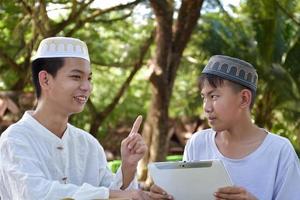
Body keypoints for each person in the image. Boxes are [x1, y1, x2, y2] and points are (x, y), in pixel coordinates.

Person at [0, 37, 151, 199]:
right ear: (45, 79)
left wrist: (128, 166)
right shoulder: (15, 140)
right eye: (76, 77)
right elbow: (35, 194)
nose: (87, 87)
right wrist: (108, 194)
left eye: (89, 78)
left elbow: (116, 194)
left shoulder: (88, 144)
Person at [150, 55, 300, 199]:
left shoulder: (279, 151)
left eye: (214, 96)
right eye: (204, 97)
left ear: (244, 98)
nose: (206, 107)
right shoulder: (198, 144)